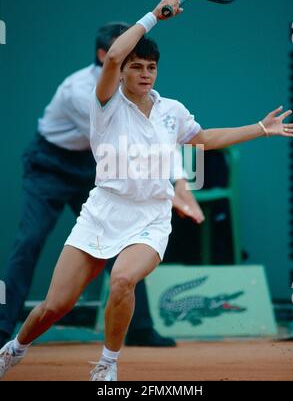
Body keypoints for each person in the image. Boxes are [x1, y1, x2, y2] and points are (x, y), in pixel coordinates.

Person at [1, 0, 293, 382]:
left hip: (150, 219)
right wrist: (154, 17)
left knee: (123, 279)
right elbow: (110, 58)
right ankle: (15, 348)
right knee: (55, 306)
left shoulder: (171, 111)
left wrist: (259, 129)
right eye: (136, 66)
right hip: (101, 213)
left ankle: (107, 364)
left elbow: (204, 137)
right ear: (121, 72)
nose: (145, 73)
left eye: (151, 67)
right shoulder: (104, 103)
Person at [0, 21, 203, 351]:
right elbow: (134, 142)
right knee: (30, 239)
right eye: (125, 49)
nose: (135, 57)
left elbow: (156, 138)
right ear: (106, 54)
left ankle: (139, 329)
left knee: (128, 241)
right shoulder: (82, 91)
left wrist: (180, 185)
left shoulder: (147, 99)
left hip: (95, 164)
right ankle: (3, 328)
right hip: (50, 165)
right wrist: (177, 187)